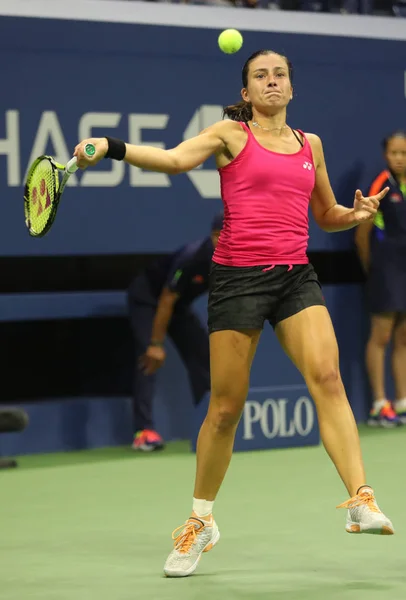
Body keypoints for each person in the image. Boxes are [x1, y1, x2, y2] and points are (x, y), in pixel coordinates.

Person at [74, 49, 395, 578]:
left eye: (280, 75)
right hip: (238, 280)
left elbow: (326, 214)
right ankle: (201, 521)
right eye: (260, 76)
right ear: (246, 92)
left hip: (295, 275)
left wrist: (353, 215)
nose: (272, 81)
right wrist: (111, 147)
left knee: (328, 377)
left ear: (292, 87)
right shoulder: (229, 134)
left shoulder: (308, 144)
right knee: (225, 409)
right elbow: (175, 160)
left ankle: (361, 498)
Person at [127, 212, 223, 451]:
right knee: (149, 360)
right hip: (149, 299)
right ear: (214, 235)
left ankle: (211, 426)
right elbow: (166, 300)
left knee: (203, 357)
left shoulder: (235, 257)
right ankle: (144, 432)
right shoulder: (193, 258)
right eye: (225, 236)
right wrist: (156, 344)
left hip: (179, 307)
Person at [355, 131, 406, 427]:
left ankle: (401, 401)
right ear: (386, 155)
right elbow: (362, 232)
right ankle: (378, 404)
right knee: (382, 336)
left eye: (404, 153)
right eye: (394, 153)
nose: (399, 158)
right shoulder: (379, 185)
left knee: (402, 337)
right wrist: (371, 267)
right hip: (384, 270)